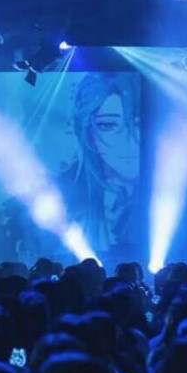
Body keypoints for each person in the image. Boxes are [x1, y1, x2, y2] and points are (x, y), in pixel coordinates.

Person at [58, 72, 140, 265]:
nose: (128, 141)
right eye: (109, 125)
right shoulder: (66, 199)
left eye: (136, 124)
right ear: (89, 134)